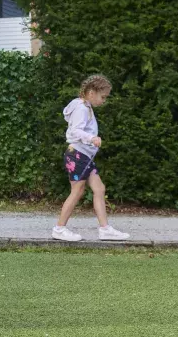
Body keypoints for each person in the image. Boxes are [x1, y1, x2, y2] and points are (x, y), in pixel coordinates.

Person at [52, 75, 129, 242]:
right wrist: (91, 138)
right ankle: (59, 228)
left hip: (84, 156)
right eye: (103, 97)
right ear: (91, 92)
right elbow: (75, 131)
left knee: (99, 189)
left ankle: (105, 229)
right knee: (77, 191)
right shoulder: (81, 108)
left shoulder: (85, 107)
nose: (104, 101)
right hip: (78, 155)